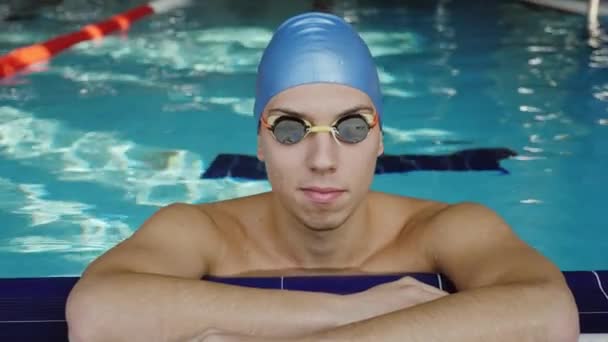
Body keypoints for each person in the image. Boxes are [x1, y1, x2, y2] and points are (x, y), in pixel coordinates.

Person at [66, 12, 579, 342]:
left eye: (351, 128)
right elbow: (97, 311)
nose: (323, 159)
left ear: (381, 139)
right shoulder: (201, 230)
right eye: (290, 129)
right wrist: (349, 310)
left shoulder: (444, 227)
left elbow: (549, 313)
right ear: (259, 143)